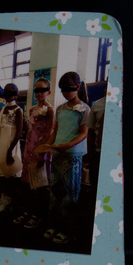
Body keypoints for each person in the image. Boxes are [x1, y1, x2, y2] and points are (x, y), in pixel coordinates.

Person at [44, 71, 90, 244]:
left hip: (72, 157)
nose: (65, 93)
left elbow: (84, 133)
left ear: (77, 87)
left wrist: (69, 145)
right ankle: (54, 225)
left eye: (68, 89)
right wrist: (46, 146)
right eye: (62, 89)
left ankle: (67, 230)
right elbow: (55, 132)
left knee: (69, 195)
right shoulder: (60, 108)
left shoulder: (85, 109)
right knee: (55, 193)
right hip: (57, 154)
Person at [13, 78, 54, 229]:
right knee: (27, 184)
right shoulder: (31, 109)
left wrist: (43, 154)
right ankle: (28, 211)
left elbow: (49, 133)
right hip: (29, 150)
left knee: (40, 185)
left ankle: (38, 215)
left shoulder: (50, 110)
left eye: (42, 90)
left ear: (49, 92)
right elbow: (30, 131)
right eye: (37, 90)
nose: (39, 93)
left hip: (41, 151)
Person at [0, 83, 23, 213]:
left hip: (10, 146)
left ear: (16, 94)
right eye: (6, 92)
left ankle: (9, 200)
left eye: (11, 92)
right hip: (1, 145)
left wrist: (10, 151)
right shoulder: (2, 109)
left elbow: (18, 133)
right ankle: (2, 198)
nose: (8, 95)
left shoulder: (18, 110)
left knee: (8, 175)